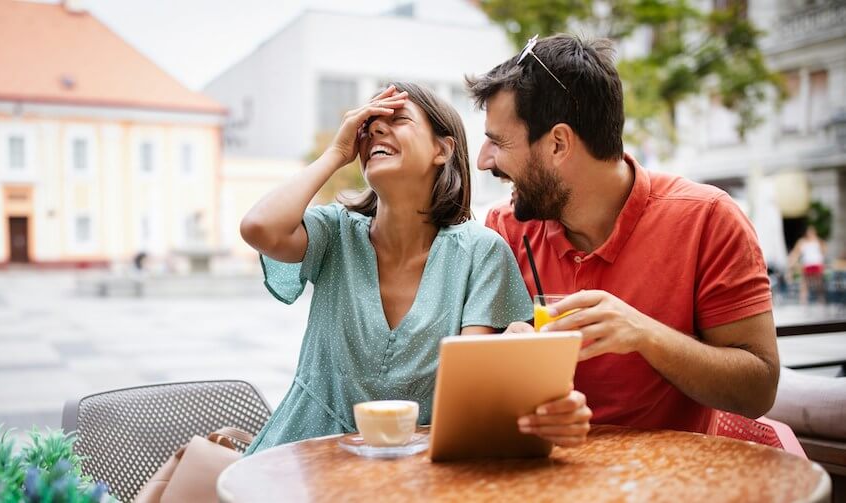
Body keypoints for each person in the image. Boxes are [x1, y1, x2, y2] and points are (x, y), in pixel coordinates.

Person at [466, 34, 780, 445]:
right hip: (543, 479)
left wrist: (643, 334)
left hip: (669, 482)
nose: (483, 160)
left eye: (499, 142)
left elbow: (758, 390)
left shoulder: (708, 219)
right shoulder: (506, 229)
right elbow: (480, 397)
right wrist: (503, 366)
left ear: (559, 144)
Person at [239, 83, 532, 453]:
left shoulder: (481, 252)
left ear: (442, 150)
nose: (376, 129)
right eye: (370, 124)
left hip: (412, 469)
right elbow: (258, 228)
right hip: (300, 455)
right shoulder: (335, 232)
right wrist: (336, 152)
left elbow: (465, 391)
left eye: (398, 119)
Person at [788, 225, 827, 303]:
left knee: (818, 284)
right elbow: (796, 253)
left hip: (816, 264)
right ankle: (803, 301)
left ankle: (821, 300)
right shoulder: (802, 242)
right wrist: (791, 263)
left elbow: (824, 251)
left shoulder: (818, 241)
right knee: (805, 284)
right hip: (808, 265)